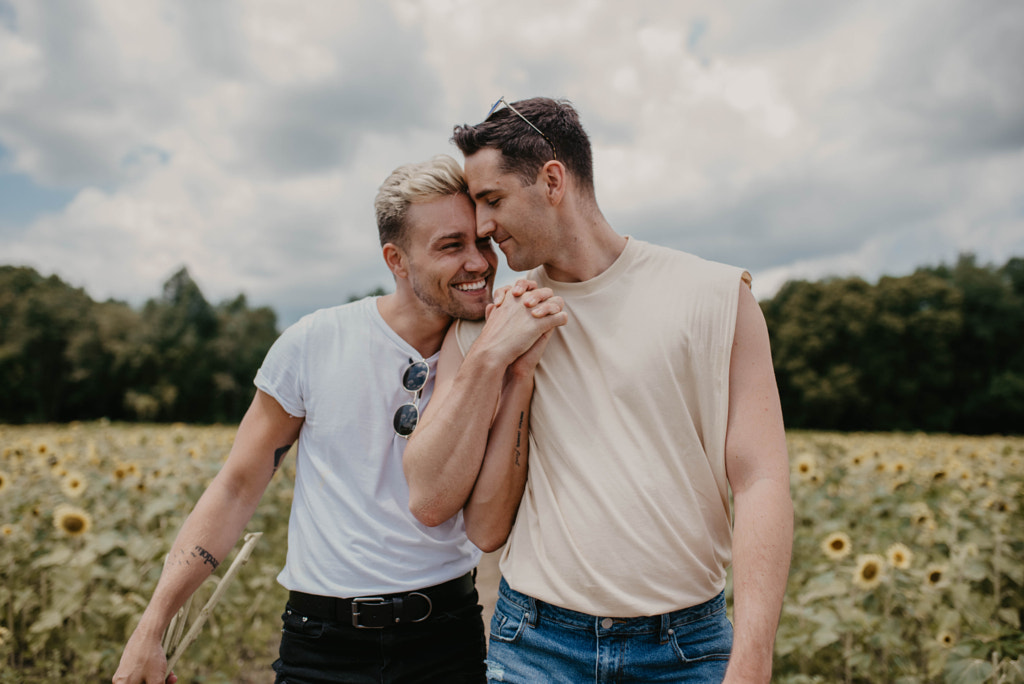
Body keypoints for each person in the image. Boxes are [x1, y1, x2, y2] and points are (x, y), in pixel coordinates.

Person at [112, 154, 566, 684]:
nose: (479, 262)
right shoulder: (315, 342)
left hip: (446, 634)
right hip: (321, 643)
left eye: (481, 242)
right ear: (396, 260)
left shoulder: (493, 347)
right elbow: (236, 487)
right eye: (451, 246)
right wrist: (153, 626)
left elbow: (486, 519)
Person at [402, 98, 794, 683]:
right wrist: (504, 363)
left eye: (492, 200)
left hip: (688, 651)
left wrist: (754, 656)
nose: (482, 228)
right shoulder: (494, 322)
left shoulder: (717, 299)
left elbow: (761, 480)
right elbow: (447, 508)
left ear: (552, 180)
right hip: (534, 646)